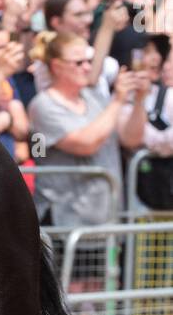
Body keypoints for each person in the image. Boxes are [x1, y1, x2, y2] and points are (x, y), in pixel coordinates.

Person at [28, 32, 145, 227]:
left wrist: (139, 100)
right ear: (57, 66)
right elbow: (85, 144)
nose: (87, 68)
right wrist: (118, 100)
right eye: (79, 63)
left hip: (105, 219)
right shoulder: (43, 105)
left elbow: (131, 139)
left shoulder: (95, 98)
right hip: (65, 220)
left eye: (88, 61)